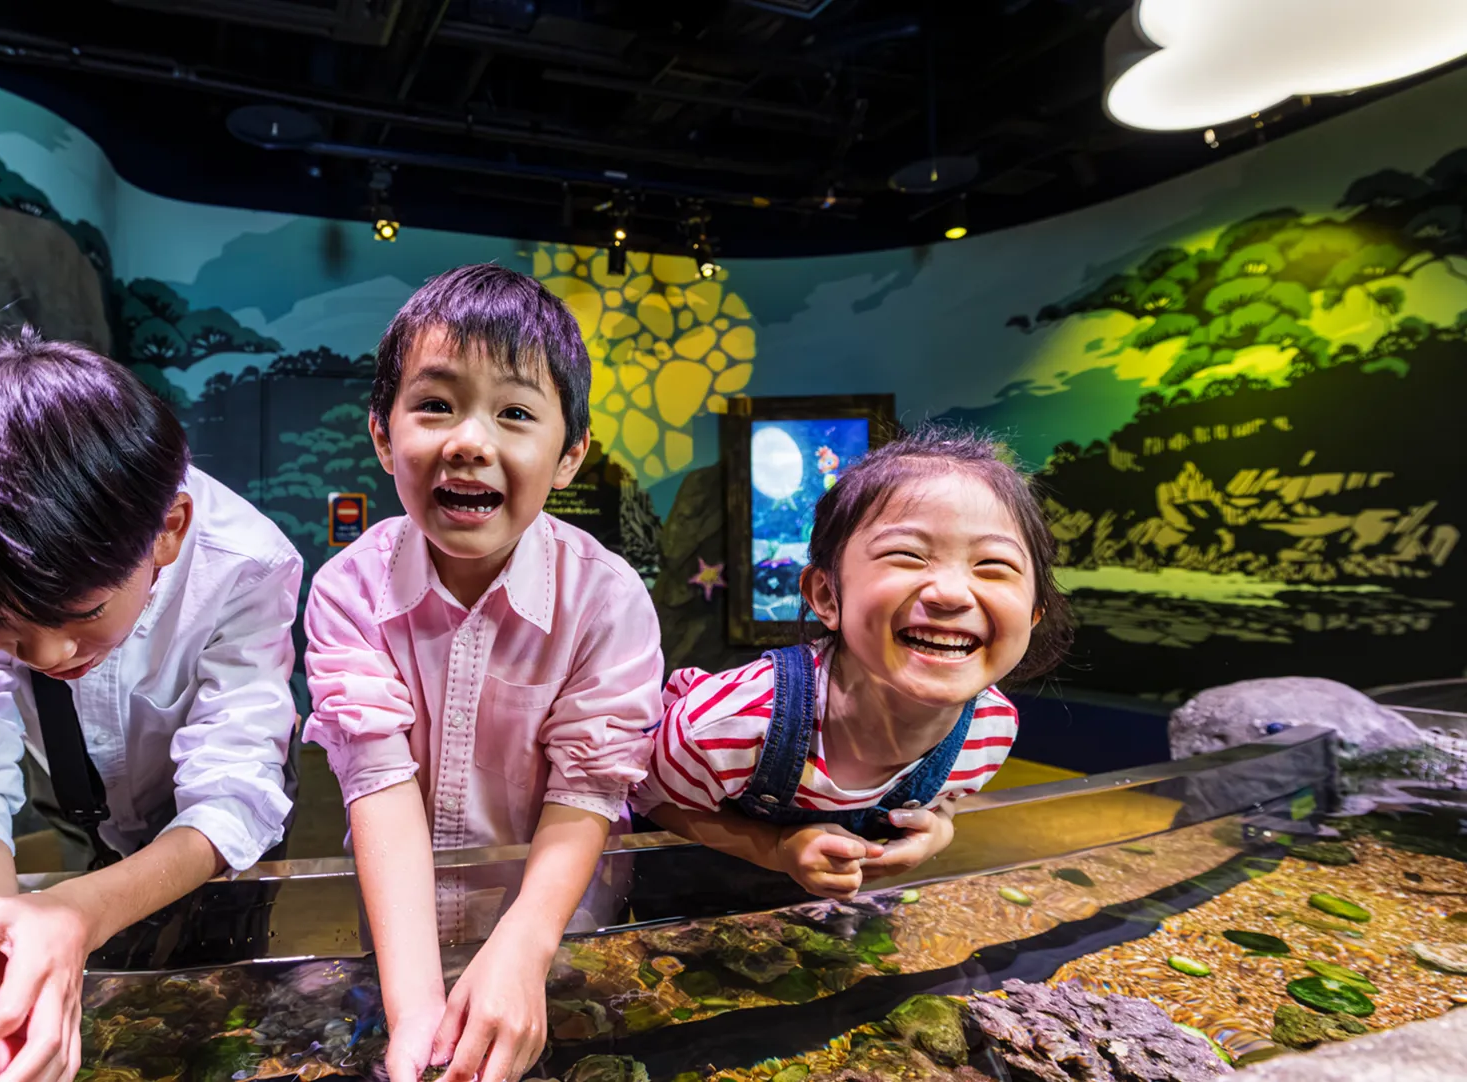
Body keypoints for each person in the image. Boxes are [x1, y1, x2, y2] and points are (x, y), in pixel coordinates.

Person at [0, 328, 303, 1082]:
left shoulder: (247, 564)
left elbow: (234, 786)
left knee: (223, 974)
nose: (45, 657)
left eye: (81, 613)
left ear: (168, 533)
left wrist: (72, 912)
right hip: (78, 801)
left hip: (216, 818)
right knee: (104, 975)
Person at [304, 265, 663, 1082]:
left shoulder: (606, 599)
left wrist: (526, 949)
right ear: (381, 433)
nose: (470, 440)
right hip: (402, 930)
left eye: (514, 412)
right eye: (435, 404)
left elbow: (589, 788)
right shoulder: (347, 591)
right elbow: (377, 781)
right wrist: (417, 1008)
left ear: (569, 454)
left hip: (560, 921)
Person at [636, 427, 1072, 900]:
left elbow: (945, 801)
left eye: (992, 566)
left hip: (830, 916)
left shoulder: (989, 728)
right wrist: (775, 847)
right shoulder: (736, 720)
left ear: (1033, 613)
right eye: (907, 556)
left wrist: (940, 829)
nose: (950, 593)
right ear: (826, 594)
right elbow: (650, 798)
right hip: (692, 917)